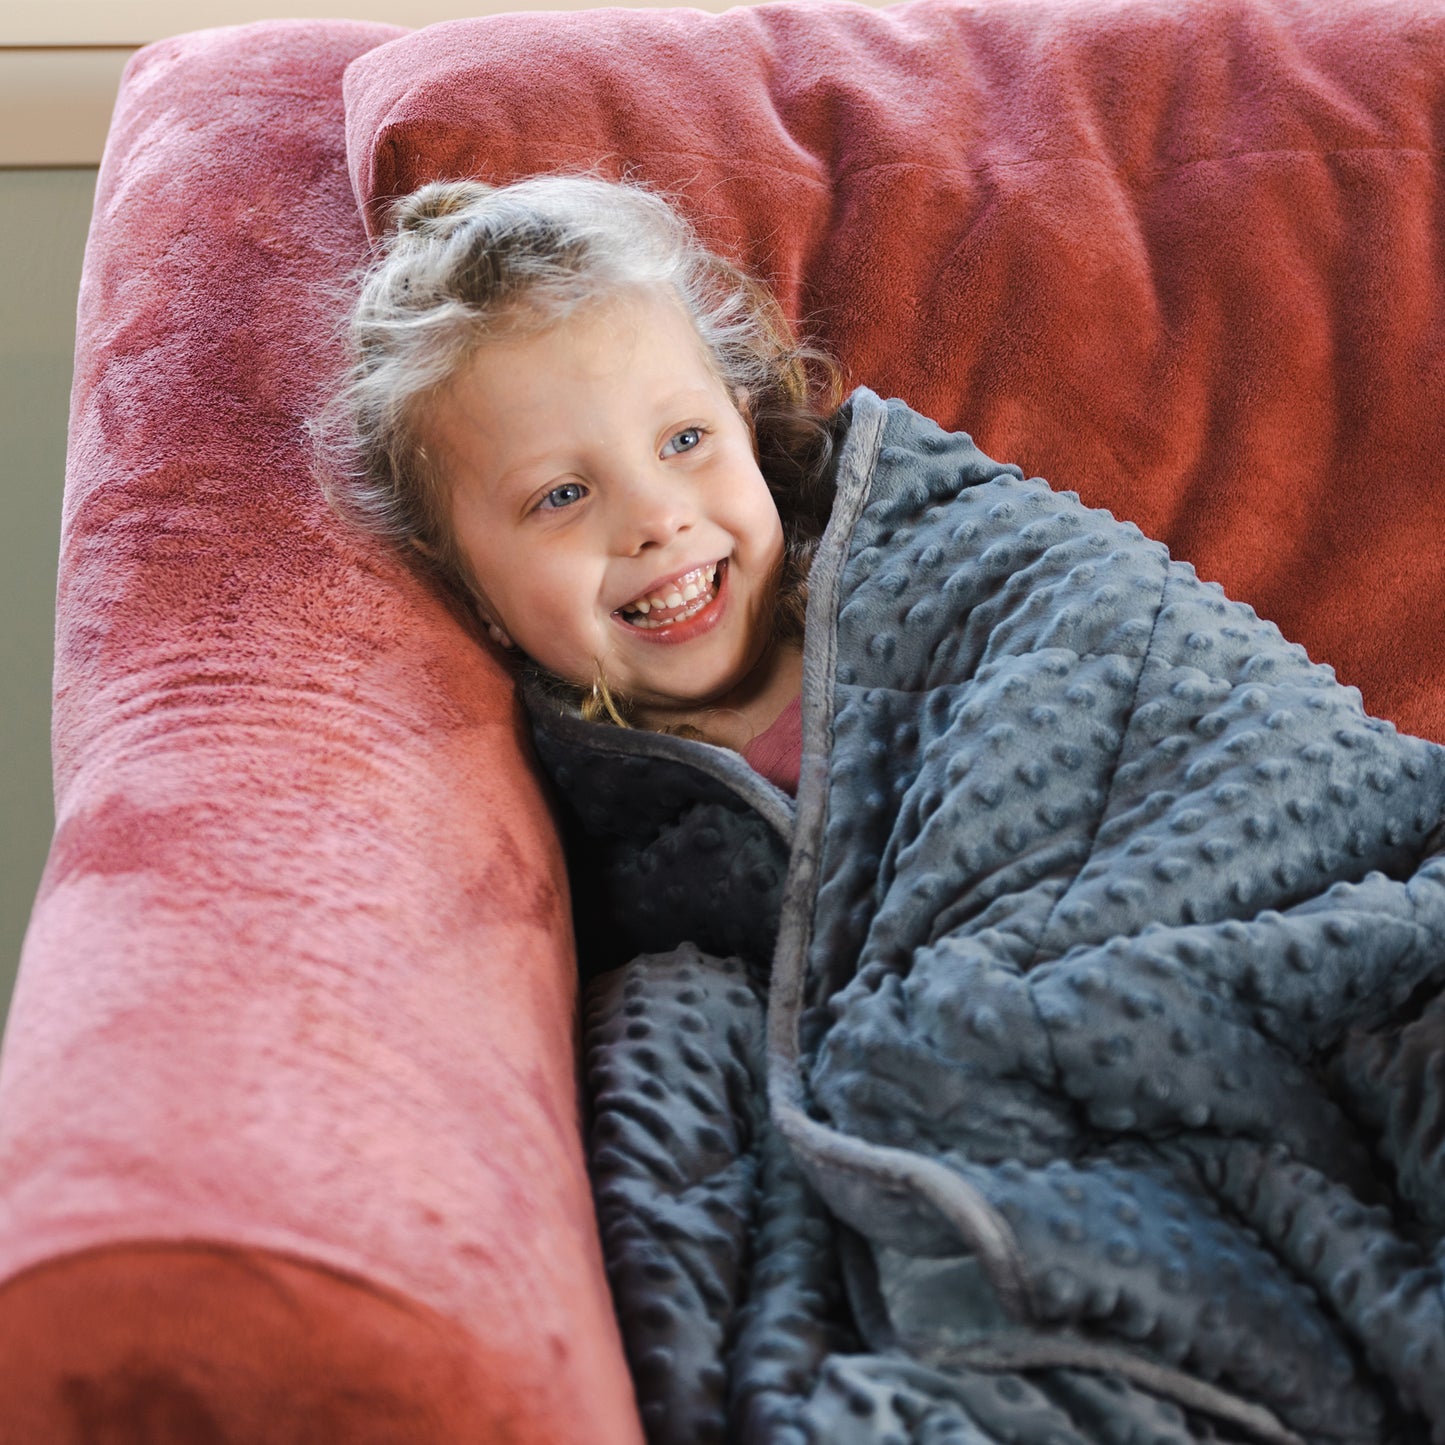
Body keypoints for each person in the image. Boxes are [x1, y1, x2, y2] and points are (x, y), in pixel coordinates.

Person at [317, 174, 1445, 1445]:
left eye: (682, 441)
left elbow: (1159, 693)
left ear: (745, 423)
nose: (656, 518)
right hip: (1033, 1101)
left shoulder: (933, 556)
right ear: (469, 586)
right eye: (560, 497)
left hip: (1298, 906)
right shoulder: (612, 805)